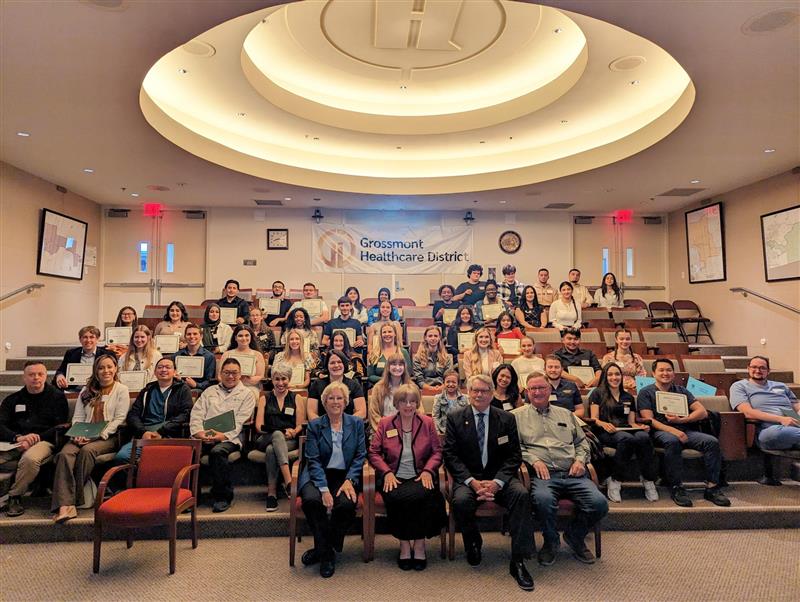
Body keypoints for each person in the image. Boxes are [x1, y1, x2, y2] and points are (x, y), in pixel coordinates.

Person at [443, 375, 535, 591]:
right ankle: (473, 543)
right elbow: (450, 455)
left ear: (492, 393)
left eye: (484, 391)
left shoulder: (506, 419)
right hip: (469, 478)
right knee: (460, 501)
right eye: (475, 390)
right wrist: (472, 482)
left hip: (499, 477)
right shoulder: (455, 418)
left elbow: (514, 456)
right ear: (468, 392)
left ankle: (518, 560)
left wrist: (497, 483)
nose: (479, 394)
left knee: (521, 495)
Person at [514, 372, 608, 567]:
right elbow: (514, 448)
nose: (538, 392)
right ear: (527, 392)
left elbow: (582, 443)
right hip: (543, 475)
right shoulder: (516, 417)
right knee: (543, 500)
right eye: (533, 389)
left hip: (573, 473)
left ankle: (575, 536)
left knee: (600, 503)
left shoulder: (566, 414)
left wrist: (580, 461)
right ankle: (551, 541)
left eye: (542, 388)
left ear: (549, 390)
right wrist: (533, 460)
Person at [368, 384, 447, 571]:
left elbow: (437, 452)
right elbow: (374, 453)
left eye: (412, 401)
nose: (408, 405)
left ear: (417, 403)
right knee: (397, 497)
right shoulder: (386, 423)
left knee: (425, 496)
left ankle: (419, 544)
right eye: (403, 401)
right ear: (397, 403)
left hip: (420, 475)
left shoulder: (427, 422)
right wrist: (386, 472)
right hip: (393, 476)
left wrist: (428, 470)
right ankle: (404, 544)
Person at [637, 358, 730, 507]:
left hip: (684, 428)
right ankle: (676, 487)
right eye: (661, 370)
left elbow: (702, 412)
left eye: (668, 370)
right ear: (653, 373)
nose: (665, 373)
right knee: (673, 441)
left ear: (674, 373)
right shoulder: (646, 392)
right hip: (659, 431)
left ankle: (712, 487)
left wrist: (682, 421)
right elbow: (649, 419)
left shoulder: (681, 391)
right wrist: (672, 429)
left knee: (711, 442)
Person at [51, 355, 130, 523]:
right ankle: (66, 506)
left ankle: (71, 501)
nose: (105, 371)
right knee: (65, 454)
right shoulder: (86, 391)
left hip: (107, 436)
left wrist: (97, 435)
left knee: (87, 451)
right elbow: (78, 417)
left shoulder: (121, 389)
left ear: (116, 369)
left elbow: (119, 419)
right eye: (101, 368)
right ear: (96, 370)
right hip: (82, 434)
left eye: (109, 367)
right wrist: (77, 433)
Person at [299, 381, 366, 578]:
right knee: (311, 500)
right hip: (317, 473)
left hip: (344, 475)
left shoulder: (356, 423)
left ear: (346, 402)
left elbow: (360, 456)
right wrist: (323, 489)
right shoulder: (314, 425)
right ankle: (327, 553)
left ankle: (323, 545)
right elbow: (312, 459)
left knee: (346, 504)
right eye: (331, 398)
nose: (335, 402)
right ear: (324, 402)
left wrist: (350, 480)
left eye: (339, 398)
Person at [0, 361, 68, 517]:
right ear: (24, 377)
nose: (36, 378)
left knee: (30, 459)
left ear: (46, 376)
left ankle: (14, 496)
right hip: (16, 441)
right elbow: (1, 425)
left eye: (40, 374)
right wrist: (18, 437)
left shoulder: (57, 397)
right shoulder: (12, 400)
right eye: (31, 375)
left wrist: (34, 439)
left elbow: (61, 426)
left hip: (45, 441)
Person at [190, 358, 256, 513]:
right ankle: (192, 496)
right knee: (190, 451)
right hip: (205, 435)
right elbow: (197, 414)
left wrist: (221, 436)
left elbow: (240, 421)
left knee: (217, 452)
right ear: (220, 374)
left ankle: (223, 496)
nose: (230, 376)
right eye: (227, 372)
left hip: (230, 438)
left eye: (234, 373)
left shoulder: (247, 394)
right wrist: (198, 432)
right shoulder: (209, 391)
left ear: (240, 375)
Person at [589, 363, 658, 503]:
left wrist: (640, 426)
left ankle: (648, 479)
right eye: (610, 374)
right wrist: (604, 424)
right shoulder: (597, 393)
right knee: (626, 439)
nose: (614, 377)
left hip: (625, 428)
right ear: (605, 376)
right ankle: (616, 479)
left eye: (617, 374)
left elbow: (631, 422)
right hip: (605, 430)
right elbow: (594, 419)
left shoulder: (628, 396)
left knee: (644, 437)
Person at [114, 357, 193, 463]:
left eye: (167, 367)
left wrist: (161, 432)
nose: (163, 370)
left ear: (174, 372)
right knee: (122, 456)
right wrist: (143, 432)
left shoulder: (182, 389)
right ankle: (139, 475)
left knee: (157, 459)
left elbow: (185, 414)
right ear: (155, 372)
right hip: (145, 435)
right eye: (160, 367)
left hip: (168, 435)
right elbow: (133, 414)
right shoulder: (147, 390)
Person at [254, 365, 306, 511]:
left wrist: (294, 432)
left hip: (288, 441)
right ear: (272, 380)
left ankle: (271, 494)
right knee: (276, 435)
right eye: (277, 379)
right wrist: (281, 431)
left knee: (272, 450)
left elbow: (300, 425)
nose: (280, 383)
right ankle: (289, 481)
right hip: (265, 438)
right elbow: (259, 426)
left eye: (284, 379)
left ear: (289, 380)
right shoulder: (265, 398)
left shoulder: (297, 398)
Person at [730, 356, 800, 452]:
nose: (758, 370)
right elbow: (747, 412)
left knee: (791, 433)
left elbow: (796, 405)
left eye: (762, 368)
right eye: (754, 367)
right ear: (748, 369)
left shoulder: (781, 385)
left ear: (768, 371)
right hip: (767, 429)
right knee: (776, 433)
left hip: (794, 424)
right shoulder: (740, 386)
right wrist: (781, 419)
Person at [307, 350, 366, 421]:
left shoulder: (354, 385)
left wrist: (343, 424)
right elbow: (311, 413)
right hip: (322, 428)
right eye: (332, 363)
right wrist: (324, 425)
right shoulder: (317, 385)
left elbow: (362, 412)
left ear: (344, 364)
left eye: (339, 362)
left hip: (348, 428)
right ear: (327, 366)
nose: (336, 365)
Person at [53, 325, 116, 390]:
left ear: (97, 339)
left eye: (92, 337)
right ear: (80, 339)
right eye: (85, 337)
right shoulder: (71, 353)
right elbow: (61, 370)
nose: (88, 340)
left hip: (99, 388)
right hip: (76, 389)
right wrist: (59, 375)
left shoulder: (107, 354)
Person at [368, 353, 415, 434]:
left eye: (400, 365)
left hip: (407, 430)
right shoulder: (378, 388)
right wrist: (386, 430)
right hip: (384, 430)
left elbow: (419, 410)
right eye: (394, 364)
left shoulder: (412, 387)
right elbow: (374, 414)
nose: (397, 368)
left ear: (404, 367)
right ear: (388, 367)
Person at [218, 325, 267, 395]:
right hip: (228, 387)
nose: (244, 338)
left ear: (251, 337)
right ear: (235, 338)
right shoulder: (226, 354)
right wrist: (232, 381)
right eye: (240, 336)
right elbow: (220, 376)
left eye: (247, 335)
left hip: (250, 387)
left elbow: (260, 376)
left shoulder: (257, 355)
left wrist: (246, 379)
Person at [174, 323, 216, 391]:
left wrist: (196, 385)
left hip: (201, 391)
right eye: (189, 334)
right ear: (185, 337)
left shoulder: (209, 357)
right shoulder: (176, 356)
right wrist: (178, 379)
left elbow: (210, 381)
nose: (191, 336)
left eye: (195, 334)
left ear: (201, 336)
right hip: (179, 390)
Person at [412, 325, 453, 392]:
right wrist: (431, 389)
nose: (433, 338)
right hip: (424, 390)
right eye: (430, 336)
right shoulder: (417, 357)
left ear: (439, 337)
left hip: (444, 389)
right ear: (425, 338)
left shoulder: (447, 357)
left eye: (436, 336)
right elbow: (419, 380)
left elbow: (449, 377)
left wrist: (441, 387)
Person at [432, 370, 469, 435]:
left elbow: (468, 416)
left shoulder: (465, 398)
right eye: (448, 382)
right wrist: (438, 432)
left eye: (454, 382)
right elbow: (435, 417)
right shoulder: (438, 398)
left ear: (458, 384)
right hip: (444, 431)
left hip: (461, 431)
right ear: (443, 383)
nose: (451, 384)